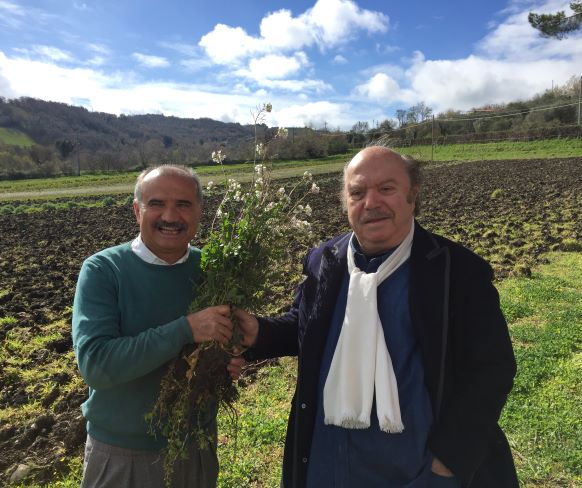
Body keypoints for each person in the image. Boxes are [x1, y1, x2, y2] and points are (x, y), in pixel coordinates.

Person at [235, 146, 518, 487]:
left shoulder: (456, 271)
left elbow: (490, 370)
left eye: (386, 189)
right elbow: (305, 322)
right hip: (327, 465)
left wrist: (445, 469)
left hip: (415, 470)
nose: (371, 203)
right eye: (357, 192)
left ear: (412, 195)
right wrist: (258, 332)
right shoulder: (325, 260)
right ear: (346, 202)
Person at [72, 164, 242, 488]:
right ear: (137, 211)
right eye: (157, 204)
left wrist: (227, 360)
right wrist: (185, 330)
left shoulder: (212, 270)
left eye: (183, 204)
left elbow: (217, 345)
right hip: (124, 455)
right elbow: (96, 364)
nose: (170, 216)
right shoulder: (104, 270)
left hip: (197, 446)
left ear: (199, 212)